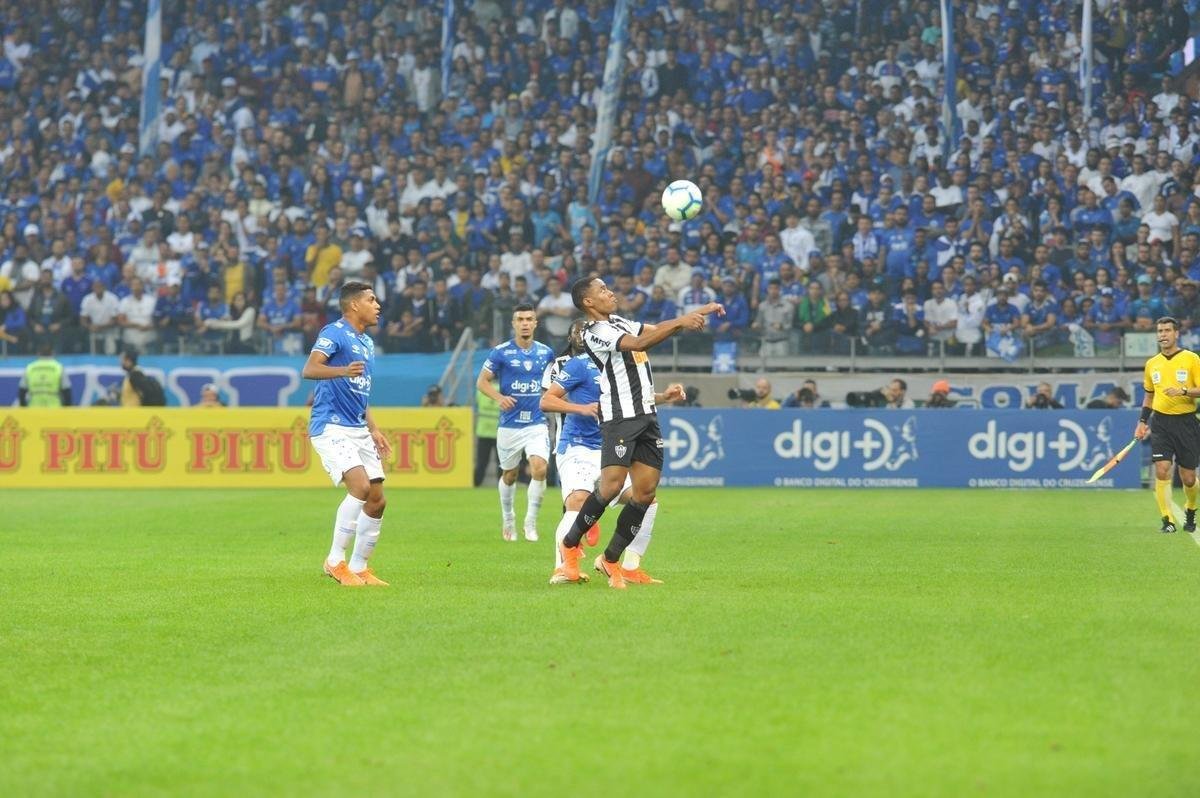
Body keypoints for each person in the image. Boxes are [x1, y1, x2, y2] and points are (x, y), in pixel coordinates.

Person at [557, 276, 723, 588]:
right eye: (602, 290)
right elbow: (640, 343)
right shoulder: (597, 333)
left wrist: (696, 313)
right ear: (588, 302)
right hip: (620, 417)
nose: (610, 292)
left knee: (645, 493)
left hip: (647, 415)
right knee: (610, 489)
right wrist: (683, 322)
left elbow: (654, 328)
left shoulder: (618, 321)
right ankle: (569, 545)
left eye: (608, 287)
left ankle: (610, 560)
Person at [541, 320, 685, 585]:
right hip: (579, 446)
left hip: (609, 446)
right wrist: (582, 409)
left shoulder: (619, 365)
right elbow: (547, 400)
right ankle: (562, 568)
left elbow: (636, 397)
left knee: (646, 500)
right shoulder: (577, 364)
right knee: (577, 501)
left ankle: (630, 566)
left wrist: (665, 396)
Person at [302, 281, 393, 587]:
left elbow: (360, 392)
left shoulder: (366, 343)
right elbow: (310, 369)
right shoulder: (333, 333)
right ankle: (334, 561)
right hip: (330, 425)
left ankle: (360, 566)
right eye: (371, 300)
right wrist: (341, 370)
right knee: (360, 487)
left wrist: (374, 427)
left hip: (358, 427)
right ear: (355, 305)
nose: (377, 305)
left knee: (377, 499)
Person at [475, 304, 555, 541]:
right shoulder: (500, 352)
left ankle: (530, 522)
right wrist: (500, 398)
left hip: (536, 423)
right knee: (509, 475)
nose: (525, 323)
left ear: (535, 323)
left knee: (540, 468)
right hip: (509, 425)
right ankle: (508, 517)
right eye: (520, 319)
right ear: (513, 324)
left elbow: (551, 384)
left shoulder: (546, 353)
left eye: (529, 319)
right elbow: (482, 382)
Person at [1135, 316, 1200, 534]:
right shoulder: (1151, 364)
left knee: (1188, 478)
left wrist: (1183, 391)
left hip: (1186, 422)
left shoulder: (1191, 359)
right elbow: (1148, 397)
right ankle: (1168, 520)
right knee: (1162, 470)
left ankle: (1191, 508)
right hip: (1161, 422)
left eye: (1167, 331)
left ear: (1176, 333)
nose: (1162, 335)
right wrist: (1142, 422)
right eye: (1160, 331)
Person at [17, 342, 71, 407]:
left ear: (38, 353)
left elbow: (22, 391)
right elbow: (67, 391)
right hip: (54, 408)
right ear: (53, 353)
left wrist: (23, 408)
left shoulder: (30, 368)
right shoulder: (58, 367)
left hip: (34, 408)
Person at [473, 385, 501, 487]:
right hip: (498, 432)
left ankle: (476, 484)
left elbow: (477, 401)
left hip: (483, 431)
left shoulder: (481, 389)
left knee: (481, 463)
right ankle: (502, 486)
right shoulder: (502, 388)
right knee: (501, 463)